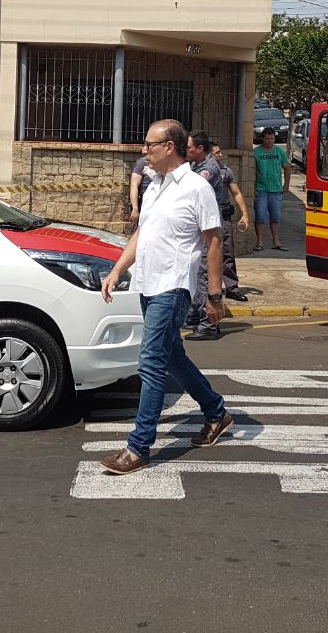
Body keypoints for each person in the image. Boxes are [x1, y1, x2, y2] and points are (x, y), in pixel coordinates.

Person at [99, 119, 233, 475]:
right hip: (148, 284)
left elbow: (214, 241)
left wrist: (215, 296)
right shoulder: (154, 185)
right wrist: (117, 270)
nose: (144, 151)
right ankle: (216, 413)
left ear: (169, 147)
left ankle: (139, 446)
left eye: (149, 145)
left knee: (151, 363)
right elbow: (142, 233)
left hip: (173, 287)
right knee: (173, 358)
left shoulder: (196, 188)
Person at [185, 130, 232, 340]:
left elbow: (189, 187)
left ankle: (209, 326)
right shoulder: (197, 165)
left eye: (189, 148)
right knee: (198, 272)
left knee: (205, 275)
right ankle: (196, 315)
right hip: (202, 227)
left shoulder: (208, 169)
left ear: (200, 149)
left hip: (209, 229)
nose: (186, 151)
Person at [212, 143, 251, 303]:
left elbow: (236, 192)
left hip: (223, 216)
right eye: (217, 153)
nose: (220, 155)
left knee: (227, 252)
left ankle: (232, 288)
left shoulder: (225, 171)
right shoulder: (198, 171)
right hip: (206, 217)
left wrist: (245, 214)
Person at [252, 127, 291, 250]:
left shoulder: (279, 151)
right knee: (260, 216)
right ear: (262, 139)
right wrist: (252, 189)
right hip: (261, 189)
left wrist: (286, 185)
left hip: (276, 190)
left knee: (275, 217)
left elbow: (287, 168)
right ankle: (259, 242)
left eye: (272, 138)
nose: (270, 141)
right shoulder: (256, 153)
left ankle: (276, 241)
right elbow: (252, 171)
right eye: (267, 138)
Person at [128, 153, 157, 231]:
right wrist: (135, 208)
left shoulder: (165, 164)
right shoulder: (142, 163)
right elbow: (134, 185)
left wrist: (154, 176)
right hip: (143, 204)